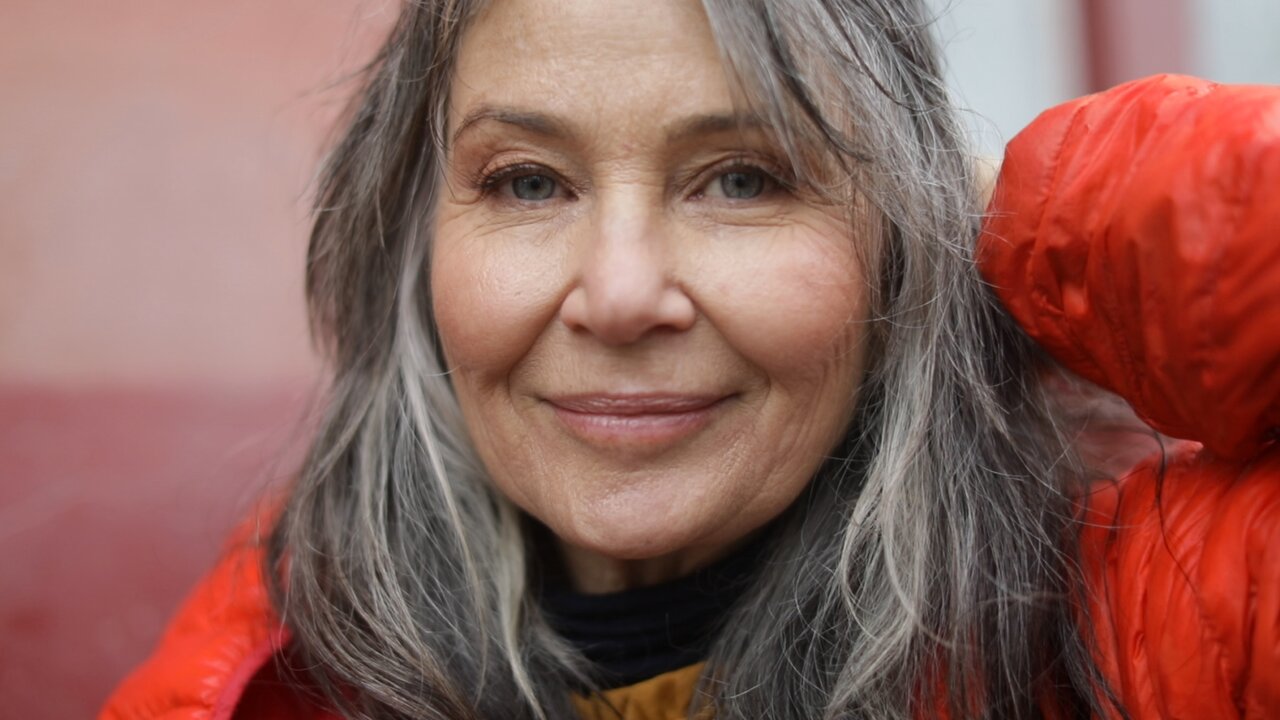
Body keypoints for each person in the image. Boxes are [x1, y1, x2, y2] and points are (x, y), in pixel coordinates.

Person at [102, 1, 1280, 718]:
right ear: (409, 241)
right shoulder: (261, 682)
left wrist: (1022, 221)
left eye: (744, 179)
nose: (618, 296)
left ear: (898, 246)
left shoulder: (1143, 626)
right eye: (526, 182)